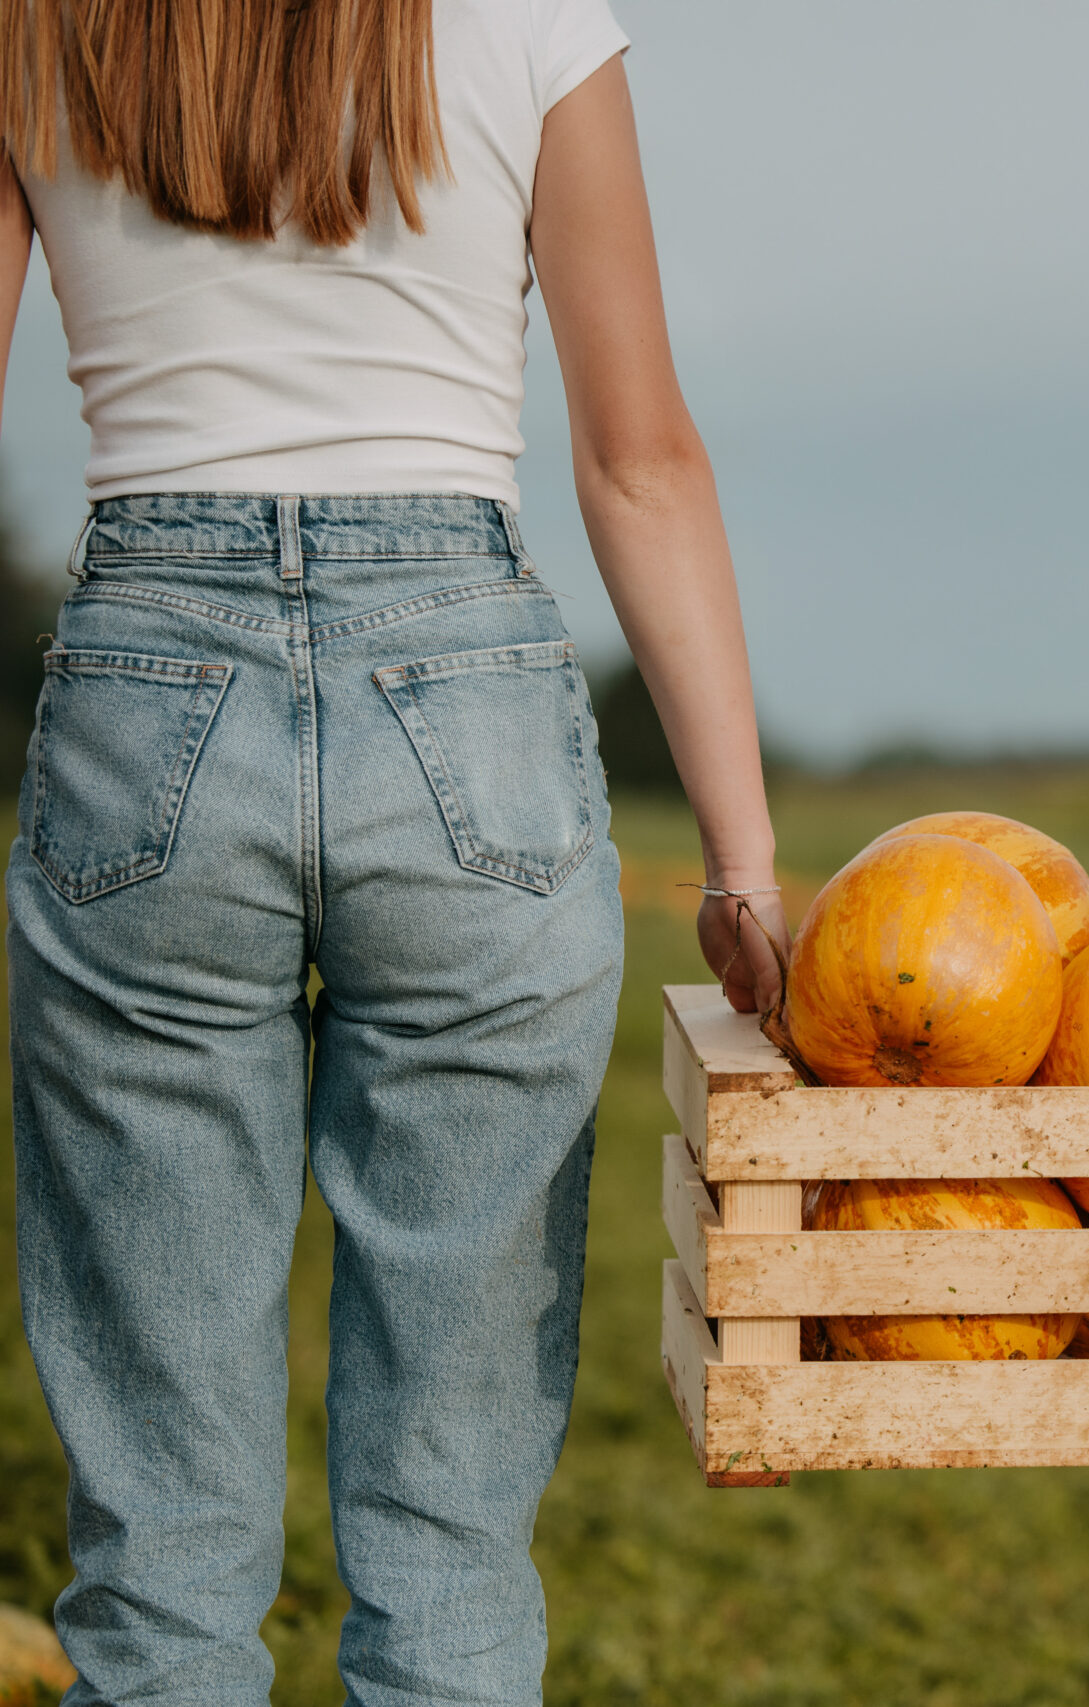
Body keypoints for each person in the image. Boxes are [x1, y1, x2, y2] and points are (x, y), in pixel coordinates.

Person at [0, 1, 784, 1699]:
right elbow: (637, 458)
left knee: (158, 1555)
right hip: (469, 708)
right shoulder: (534, 21)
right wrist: (742, 865)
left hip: (149, 684)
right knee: (449, 1532)